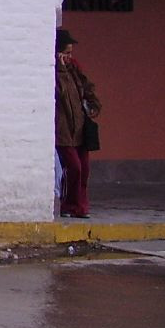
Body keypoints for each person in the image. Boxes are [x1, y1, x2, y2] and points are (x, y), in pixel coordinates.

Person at [53, 27, 100, 218]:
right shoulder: (57, 72)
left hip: (80, 128)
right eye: (66, 53)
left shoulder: (75, 69)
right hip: (64, 130)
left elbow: (87, 88)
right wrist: (61, 68)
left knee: (84, 169)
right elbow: (61, 93)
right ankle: (68, 204)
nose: (69, 57)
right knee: (73, 167)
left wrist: (94, 104)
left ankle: (81, 206)